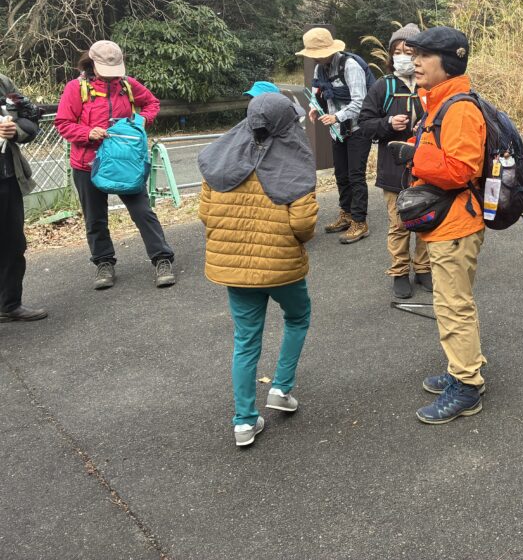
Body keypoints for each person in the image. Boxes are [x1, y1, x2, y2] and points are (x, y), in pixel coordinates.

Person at [197, 93, 319, 447]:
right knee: (298, 317)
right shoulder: (294, 161)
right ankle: (281, 388)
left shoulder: (219, 157)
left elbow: (205, 214)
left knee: (246, 340)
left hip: (234, 269)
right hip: (282, 267)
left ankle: (244, 422)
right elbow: (303, 225)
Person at [390, 26, 487, 424]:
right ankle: (462, 367)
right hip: (448, 221)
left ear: (448, 62)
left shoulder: (459, 108)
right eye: (413, 55)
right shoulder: (438, 101)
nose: (414, 61)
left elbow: (462, 169)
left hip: (456, 224)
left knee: (452, 306)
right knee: (453, 303)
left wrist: (413, 157)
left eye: (423, 56)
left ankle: (467, 386)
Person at [55, 41, 176, 290]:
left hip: (125, 162)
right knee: (95, 219)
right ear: (91, 64)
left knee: (142, 212)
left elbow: (152, 103)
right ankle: (103, 262)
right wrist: (88, 133)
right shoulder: (76, 88)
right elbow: (63, 123)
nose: (111, 76)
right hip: (88, 164)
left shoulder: (127, 85)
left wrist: (139, 122)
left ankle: (162, 258)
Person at [357, 23, 432, 300]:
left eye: (409, 52)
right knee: (399, 224)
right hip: (393, 168)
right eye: (397, 52)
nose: (402, 57)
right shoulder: (383, 86)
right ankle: (399, 271)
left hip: (427, 167)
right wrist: (388, 123)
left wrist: (426, 127)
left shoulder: (430, 85)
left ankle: (423, 268)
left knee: (426, 219)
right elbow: (365, 124)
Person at [297, 27, 372, 244]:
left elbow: (361, 102)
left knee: (356, 175)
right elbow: (317, 94)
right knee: (341, 174)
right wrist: (314, 107)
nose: (315, 57)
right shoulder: (319, 68)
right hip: (337, 131)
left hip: (357, 129)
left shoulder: (350, 66)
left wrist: (336, 117)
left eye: (317, 53)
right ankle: (346, 214)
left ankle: (360, 222)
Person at [0, 74, 46, 322]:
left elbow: (30, 117)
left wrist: (14, 130)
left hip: (9, 177)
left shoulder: (3, 82)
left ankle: (9, 305)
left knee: (13, 244)